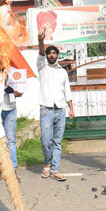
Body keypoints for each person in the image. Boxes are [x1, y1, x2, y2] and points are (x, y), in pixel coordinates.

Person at [38, 29, 75, 182]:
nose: (51, 55)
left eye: (54, 53)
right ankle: (47, 163)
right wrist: (41, 41)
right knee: (46, 141)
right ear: (47, 56)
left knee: (57, 142)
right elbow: (40, 53)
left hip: (60, 110)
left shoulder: (62, 72)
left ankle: (55, 170)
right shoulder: (42, 67)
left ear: (57, 55)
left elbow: (67, 91)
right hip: (46, 110)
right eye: (49, 53)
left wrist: (71, 108)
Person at [0, 77, 24, 182]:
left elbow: (22, 90)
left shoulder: (15, 79)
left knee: (11, 141)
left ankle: (13, 170)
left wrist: (19, 93)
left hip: (10, 111)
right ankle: (2, 170)